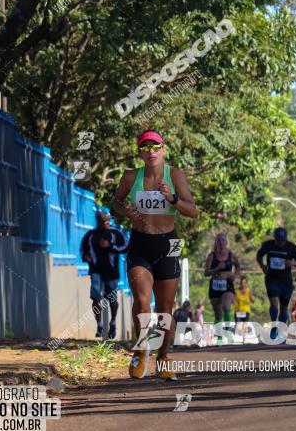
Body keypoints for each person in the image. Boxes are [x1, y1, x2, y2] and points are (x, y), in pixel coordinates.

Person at [111, 130, 199, 380]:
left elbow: (193, 211)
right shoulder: (130, 177)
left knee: (165, 308)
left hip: (169, 243)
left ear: (163, 149)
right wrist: (126, 213)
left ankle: (163, 356)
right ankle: (140, 350)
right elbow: (115, 202)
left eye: (155, 146)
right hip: (140, 242)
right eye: (145, 147)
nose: (151, 151)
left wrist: (171, 197)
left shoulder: (175, 175)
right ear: (140, 152)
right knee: (141, 300)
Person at [80, 211, 128, 339]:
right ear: (100, 222)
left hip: (112, 272)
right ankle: (100, 325)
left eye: (109, 220)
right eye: (106, 220)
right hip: (96, 271)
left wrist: (111, 246)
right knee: (96, 296)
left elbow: (126, 246)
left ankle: (112, 323)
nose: (108, 222)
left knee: (112, 299)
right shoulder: (90, 236)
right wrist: (86, 257)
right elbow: (83, 250)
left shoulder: (116, 234)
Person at [256, 227, 296, 338]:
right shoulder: (268, 245)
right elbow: (259, 255)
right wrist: (262, 266)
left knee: (284, 308)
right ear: (275, 238)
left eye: (283, 241)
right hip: (272, 279)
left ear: (286, 239)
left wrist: (292, 263)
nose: (281, 243)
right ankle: (274, 326)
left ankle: (281, 329)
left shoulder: (291, 247)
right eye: (278, 240)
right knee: (274, 303)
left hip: (286, 281)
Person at [204, 233, 239, 325]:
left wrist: (235, 275)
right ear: (216, 242)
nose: (221, 242)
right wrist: (217, 268)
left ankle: (227, 330)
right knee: (218, 315)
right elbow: (206, 273)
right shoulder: (211, 256)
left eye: (223, 240)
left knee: (226, 307)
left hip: (227, 285)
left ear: (226, 242)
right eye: (218, 240)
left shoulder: (232, 255)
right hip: (214, 286)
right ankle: (219, 338)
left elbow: (238, 267)